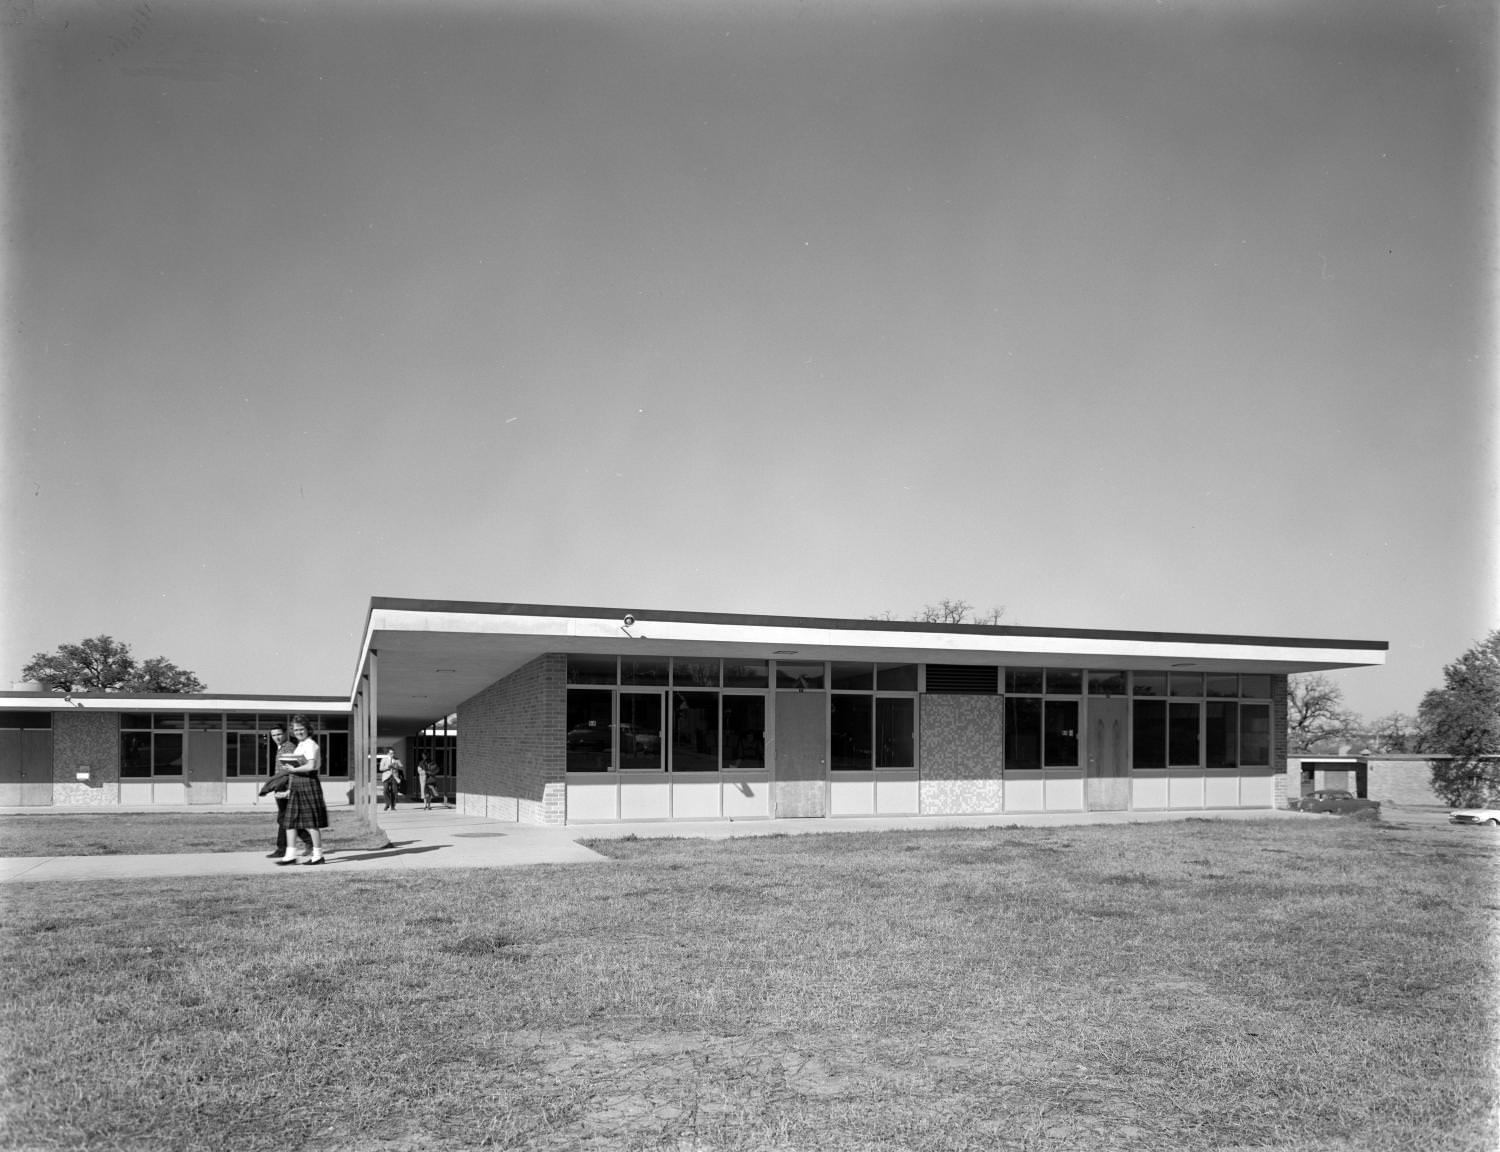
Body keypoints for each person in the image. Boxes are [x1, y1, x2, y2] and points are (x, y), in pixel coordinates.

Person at [276, 714, 328, 865]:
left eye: (301, 729)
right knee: (290, 822)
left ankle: (318, 855)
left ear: (308, 729)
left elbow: (311, 766)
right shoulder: (300, 745)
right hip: (298, 784)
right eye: (296, 729)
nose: (298, 732)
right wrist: (290, 788)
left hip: (308, 782)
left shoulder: (310, 744)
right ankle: (290, 855)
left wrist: (292, 769)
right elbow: (298, 767)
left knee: (311, 823)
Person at [258, 723, 312, 861]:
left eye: (279, 734)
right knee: (286, 819)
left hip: (288, 787)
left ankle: (283, 848)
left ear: (285, 734)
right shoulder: (281, 747)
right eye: (274, 735)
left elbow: (292, 771)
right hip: (280, 786)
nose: (276, 737)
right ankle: (308, 842)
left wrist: (288, 789)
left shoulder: (289, 748)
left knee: (284, 819)